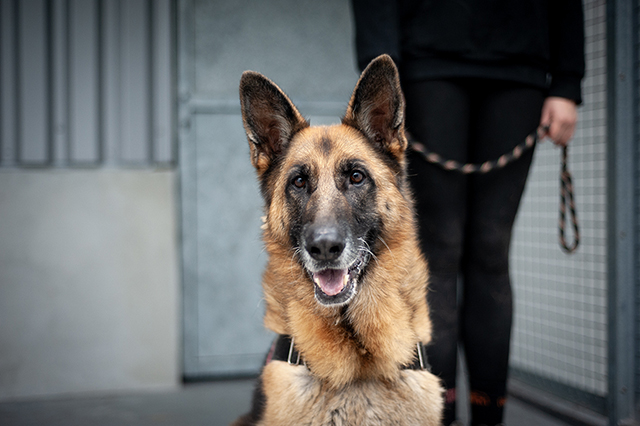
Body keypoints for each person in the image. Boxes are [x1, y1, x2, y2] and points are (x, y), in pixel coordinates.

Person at [350, 1, 585, 425]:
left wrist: (567, 82)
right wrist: (379, 77)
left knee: (491, 249)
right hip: (424, 67)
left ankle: (488, 415)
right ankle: (438, 414)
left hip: (521, 65)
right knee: (438, 250)